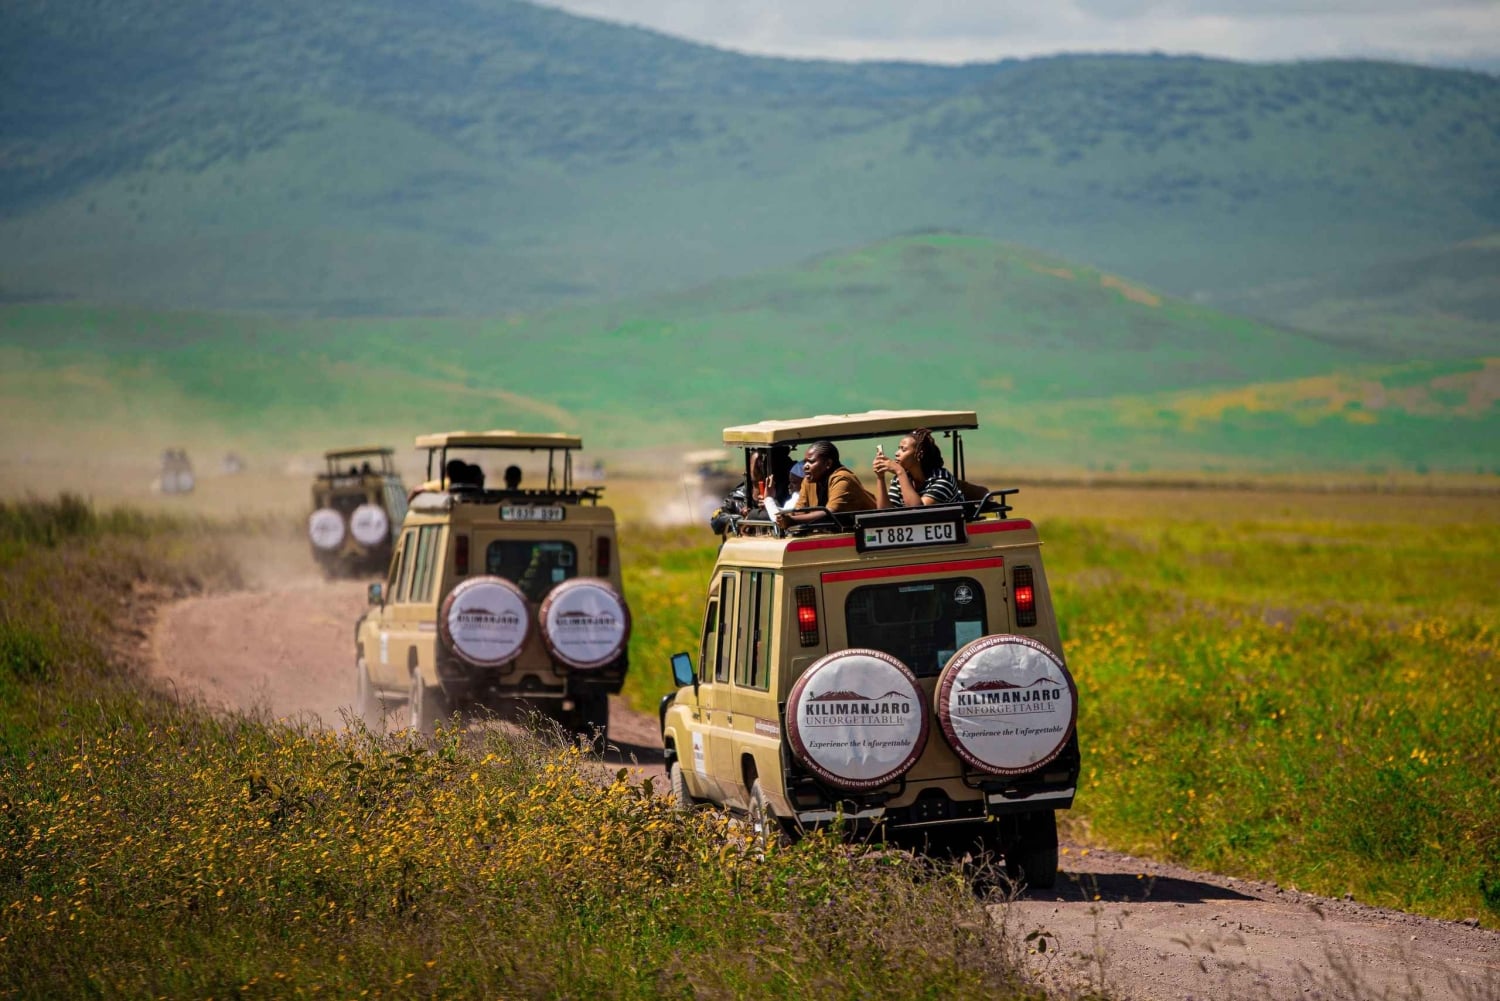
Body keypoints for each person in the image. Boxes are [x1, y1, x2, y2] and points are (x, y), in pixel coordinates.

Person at [776, 441, 876, 529]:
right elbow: (799, 511)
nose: (805, 466)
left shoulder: (842, 479)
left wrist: (792, 520)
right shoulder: (809, 480)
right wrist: (785, 518)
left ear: (828, 463)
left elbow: (830, 513)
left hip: (867, 531)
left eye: (811, 461)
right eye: (805, 461)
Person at [872, 428, 960, 508]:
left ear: (919, 454)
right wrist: (880, 477)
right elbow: (885, 512)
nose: (896, 453)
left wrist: (899, 471)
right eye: (898, 448)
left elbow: (918, 510)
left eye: (903, 449)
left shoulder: (942, 479)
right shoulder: (900, 479)